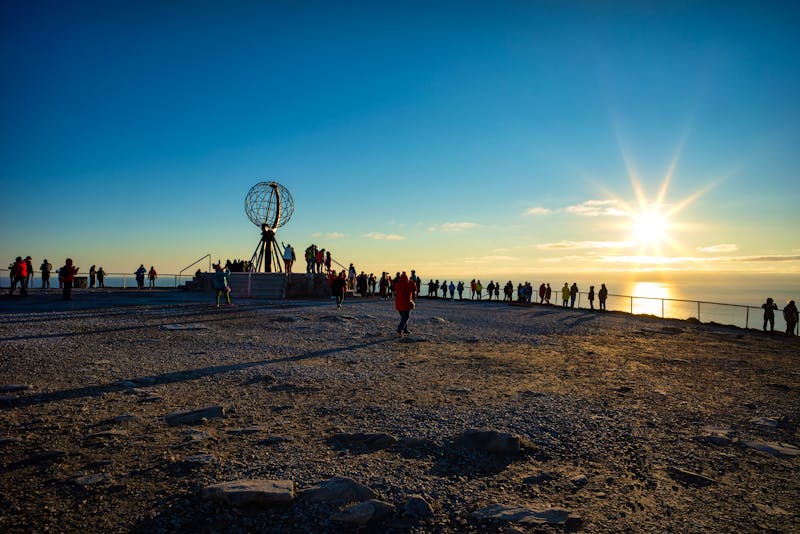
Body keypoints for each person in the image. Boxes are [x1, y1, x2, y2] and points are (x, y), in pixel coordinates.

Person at [394, 271, 416, 337]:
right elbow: (414, 289)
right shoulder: (408, 284)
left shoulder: (398, 284)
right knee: (406, 317)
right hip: (405, 303)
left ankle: (405, 329)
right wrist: (412, 282)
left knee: (403, 317)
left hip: (398, 303)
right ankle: (399, 329)